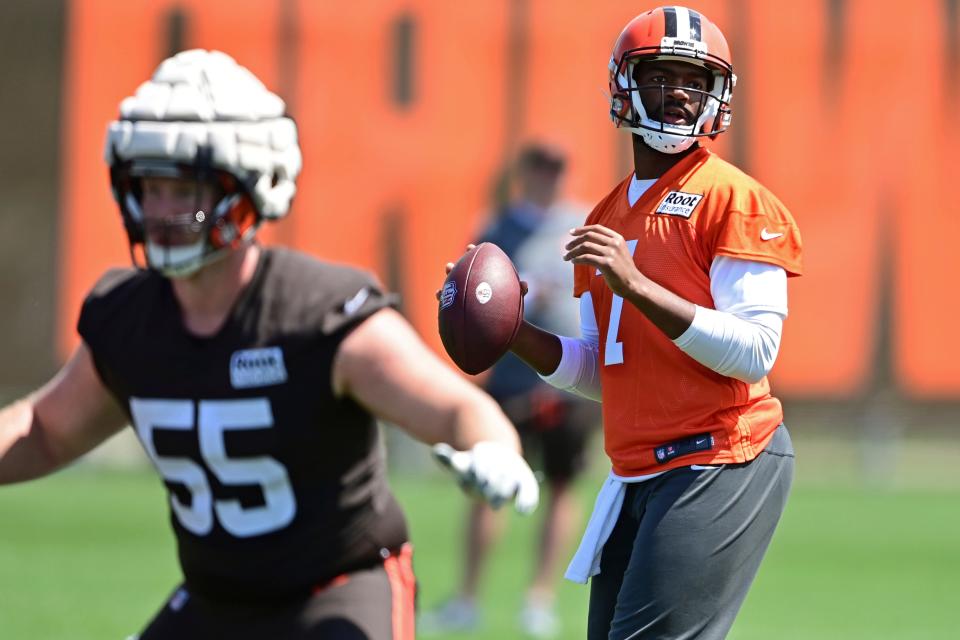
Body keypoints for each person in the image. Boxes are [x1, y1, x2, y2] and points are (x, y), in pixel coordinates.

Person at [0, 49, 540, 640]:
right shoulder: (128, 316)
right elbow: (45, 430)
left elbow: (459, 410)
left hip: (337, 588)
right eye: (148, 187)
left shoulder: (315, 312)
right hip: (215, 599)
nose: (159, 211)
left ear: (249, 186)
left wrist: (494, 450)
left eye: (183, 191)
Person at [456, 7, 802, 639]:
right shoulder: (609, 213)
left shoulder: (734, 197)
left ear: (717, 94)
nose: (678, 94)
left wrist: (637, 286)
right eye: (663, 76)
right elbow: (602, 368)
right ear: (624, 85)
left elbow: (756, 352)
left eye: (694, 81)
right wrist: (513, 332)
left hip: (719, 455)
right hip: (640, 466)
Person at [421, 144, 599, 638]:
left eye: (557, 167)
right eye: (541, 166)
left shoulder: (582, 223)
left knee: (563, 485)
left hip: (571, 377)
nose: (550, 176)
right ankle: (467, 597)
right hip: (513, 377)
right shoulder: (497, 229)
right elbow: (471, 286)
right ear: (524, 171)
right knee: (487, 483)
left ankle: (539, 598)